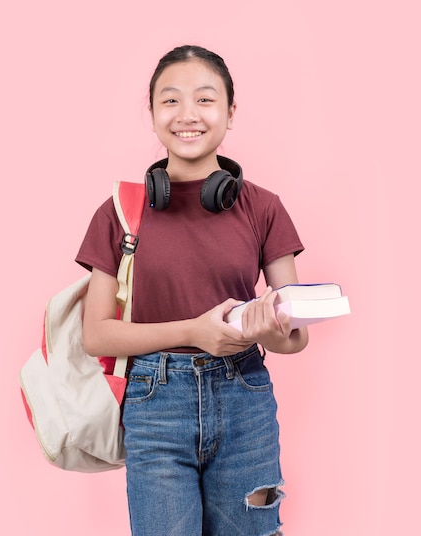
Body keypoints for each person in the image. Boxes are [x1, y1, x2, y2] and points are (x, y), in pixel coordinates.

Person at [76, 45, 308, 536]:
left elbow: (295, 338)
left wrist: (267, 324)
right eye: (170, 101)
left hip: (245, 399)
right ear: (153, 114)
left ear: (229, 113)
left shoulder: (262, 207)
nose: (187, 116)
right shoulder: (121, 211)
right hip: (154, 404)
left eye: (205, 100)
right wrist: (193, 331)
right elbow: (96, 334)